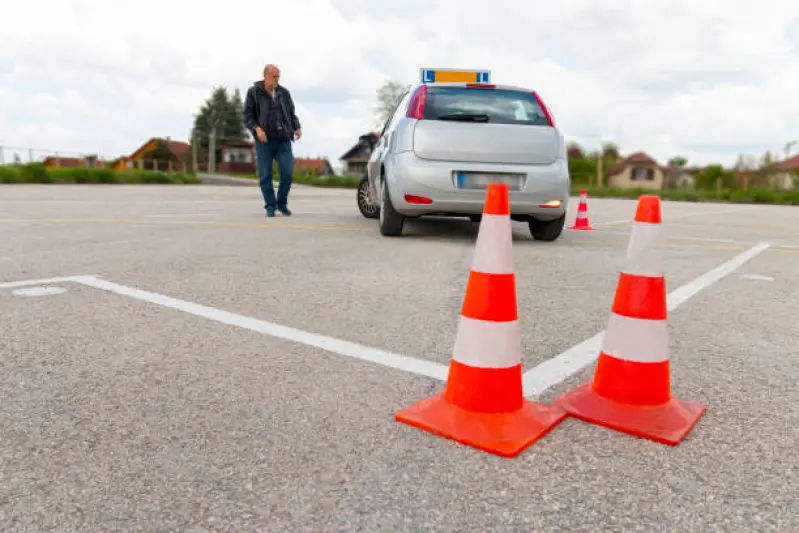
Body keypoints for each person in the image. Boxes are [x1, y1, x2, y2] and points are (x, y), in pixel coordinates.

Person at [243, 64, 302, 217]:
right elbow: (247, 116)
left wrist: (296, 127)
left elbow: (291, 113)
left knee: (287, 172)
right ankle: (270, 205)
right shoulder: (254, 93)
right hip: (264, 141)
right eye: (274, 76)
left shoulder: (284, 93)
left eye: (278, 76)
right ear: (265, 76)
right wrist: (257, 128)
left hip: (283, 139)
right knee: (265, 175)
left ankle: (282, 203)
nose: (277, 79)